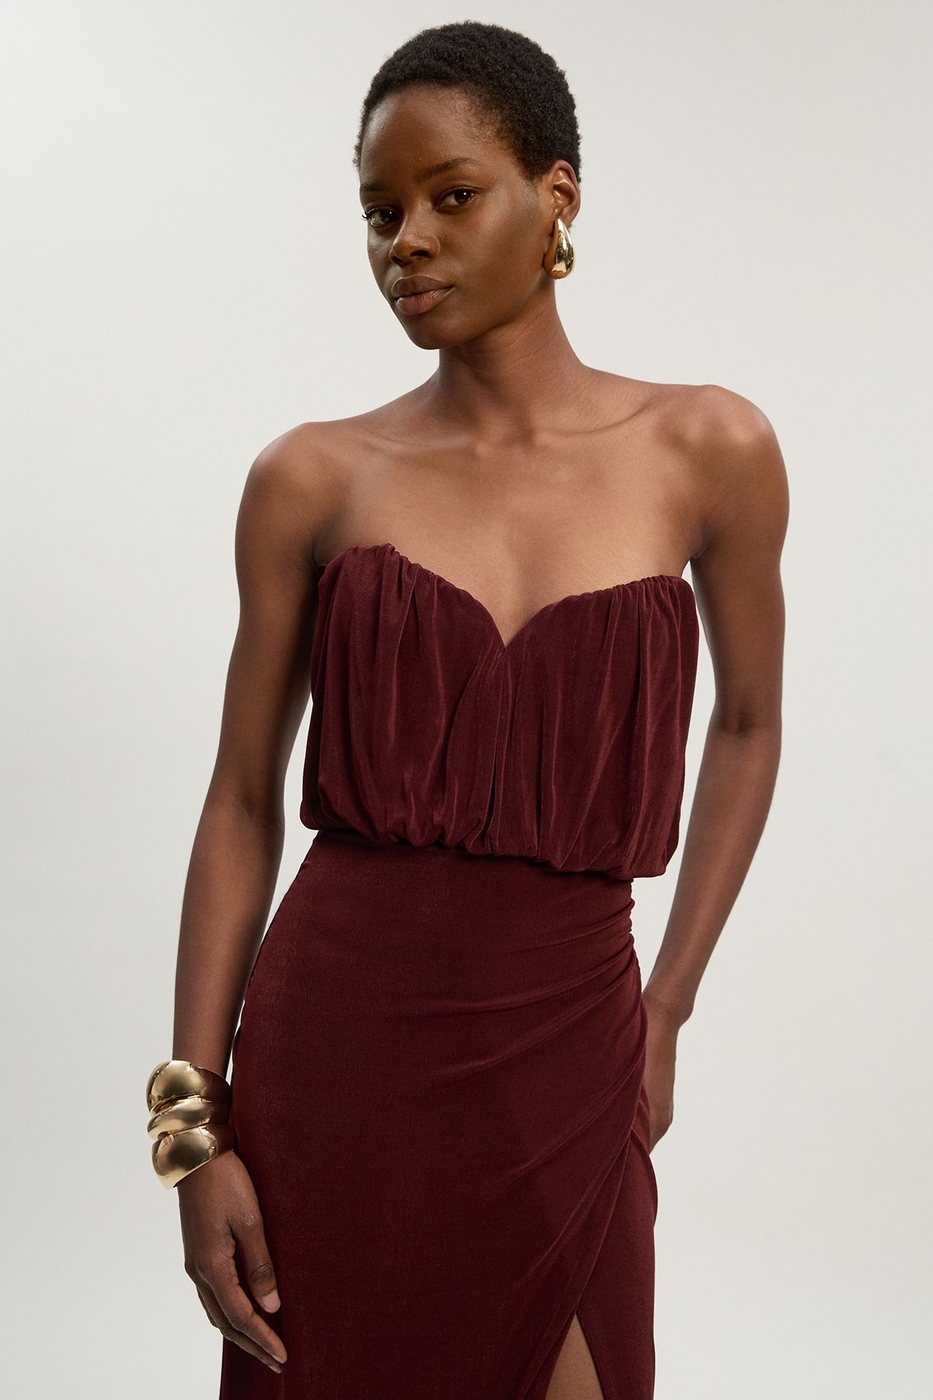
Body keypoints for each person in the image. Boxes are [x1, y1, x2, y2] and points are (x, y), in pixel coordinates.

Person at [146, 19, 787, 1400]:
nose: (409, 242)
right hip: (332, 1051)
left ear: (556, 198)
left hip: (570, 1038)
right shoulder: (315, 477)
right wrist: (193, 1133)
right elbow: (241, 801)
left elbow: (746, 726)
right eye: (380, 213)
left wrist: (665, 1010)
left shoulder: (706, 448)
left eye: (451, 195)